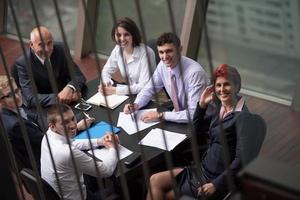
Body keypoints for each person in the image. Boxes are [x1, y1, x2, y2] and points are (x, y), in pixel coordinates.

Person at [146, 64, 249, 199]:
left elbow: (240, 161)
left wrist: (215, 185)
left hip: (216, 179)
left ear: (236, 86)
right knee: (154, 180)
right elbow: (196, 131)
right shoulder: (221, 108)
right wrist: (201, 105)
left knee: (164, 194)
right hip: (202, 169)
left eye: (227, 84)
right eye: (218, 85)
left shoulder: (244, 118)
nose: (222, 89)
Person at [0, 76, 94, 171]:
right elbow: (48, 142)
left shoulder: (12, 108)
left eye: (16, 91)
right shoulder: (15, 125)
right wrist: (75, 127)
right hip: (45, 162)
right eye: (9, 95)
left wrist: (57, 125)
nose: (17, 97)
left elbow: (36, 116)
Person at [123, 32, 209, 123]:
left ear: (180, 49)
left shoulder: (195, 73)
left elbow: (193, 114)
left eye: (169, 51)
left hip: (202, 122)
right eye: (161, 52)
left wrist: (161, 115)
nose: (165, 57)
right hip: (178, 115)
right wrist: (136, 104)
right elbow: (149, 88)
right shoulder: (163, 65)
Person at [41, 103, 119, 200]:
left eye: (73, 119)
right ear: (52, 126)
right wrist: (113, 147)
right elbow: (106, 171)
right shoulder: (66, 153)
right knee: (122, 187)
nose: (73, 125)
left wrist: (99, 141)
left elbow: (72, 143)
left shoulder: (48, 135)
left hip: (63, 191)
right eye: (65, 122)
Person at [14, 26, 86, 108]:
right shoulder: (23, 63)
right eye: (41, 45)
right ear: (31, 45)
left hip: (68, 102)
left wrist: (70, 88)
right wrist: (60, 97)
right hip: (44, 107)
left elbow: (78, 75)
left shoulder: (61, 49)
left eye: (49, 43)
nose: (47, 49)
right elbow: (31, 98)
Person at [98, 17, 156, 96]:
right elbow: (106, 70)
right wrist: (106, 84)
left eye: (126, 34)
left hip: (151, 96)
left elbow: (143, 86)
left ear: (133, 35)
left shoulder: (146, 53)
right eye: (118, 35)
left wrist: (115, 90)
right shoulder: (118, 50)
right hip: (132, 94)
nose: (122, 39)